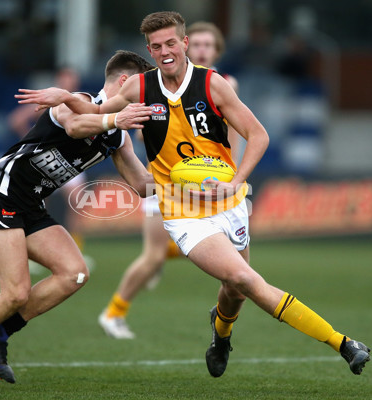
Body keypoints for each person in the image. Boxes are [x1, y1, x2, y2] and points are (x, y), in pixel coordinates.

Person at [15, 11, 371, 377]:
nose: (165, 51)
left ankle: (221, 335)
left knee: (235, 291)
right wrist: (68, 99)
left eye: (171, 43)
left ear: (184, 43)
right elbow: (97, 114)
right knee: (247, 279)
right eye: (156, 47)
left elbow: (258, 135)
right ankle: (343, 343)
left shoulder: (214, 85)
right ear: (149, 51)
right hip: (182, 210)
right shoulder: (138, 88)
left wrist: (237, 182)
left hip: (229, 201)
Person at [0, 50, 154, 388]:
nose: (150, 96)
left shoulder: (118, 136)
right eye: (145, 87)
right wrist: (112, 119)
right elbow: (77, 126)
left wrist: (192, 180)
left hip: (30, 204)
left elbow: (143, 185)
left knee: (75, 273)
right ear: (124, 82)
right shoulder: (78, 101)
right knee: (15, 293)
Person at [96, 21, 242, 340]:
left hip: (212, 182)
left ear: (216, 51)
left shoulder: (222, 83)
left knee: (231, 267)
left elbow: (232, 135)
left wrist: (234, 176)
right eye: (198, 44)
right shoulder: (155, 83)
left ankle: (221, 320)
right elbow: (143, 122)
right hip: (168, 182)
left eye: (209, 45)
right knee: (154, 254)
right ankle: (113, 313)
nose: (202, 49)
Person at [8, 66, 91, 274]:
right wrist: (32, 142)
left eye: (71, 78)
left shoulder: (81, 101)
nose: (68, 82)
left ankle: (76, 251)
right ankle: (36, 253)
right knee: (37, 207)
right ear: (58, 79)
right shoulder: (48, 99)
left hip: (72, 160)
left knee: (77, 202)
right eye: (65, 78)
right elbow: (16, 120)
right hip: (48, 160)